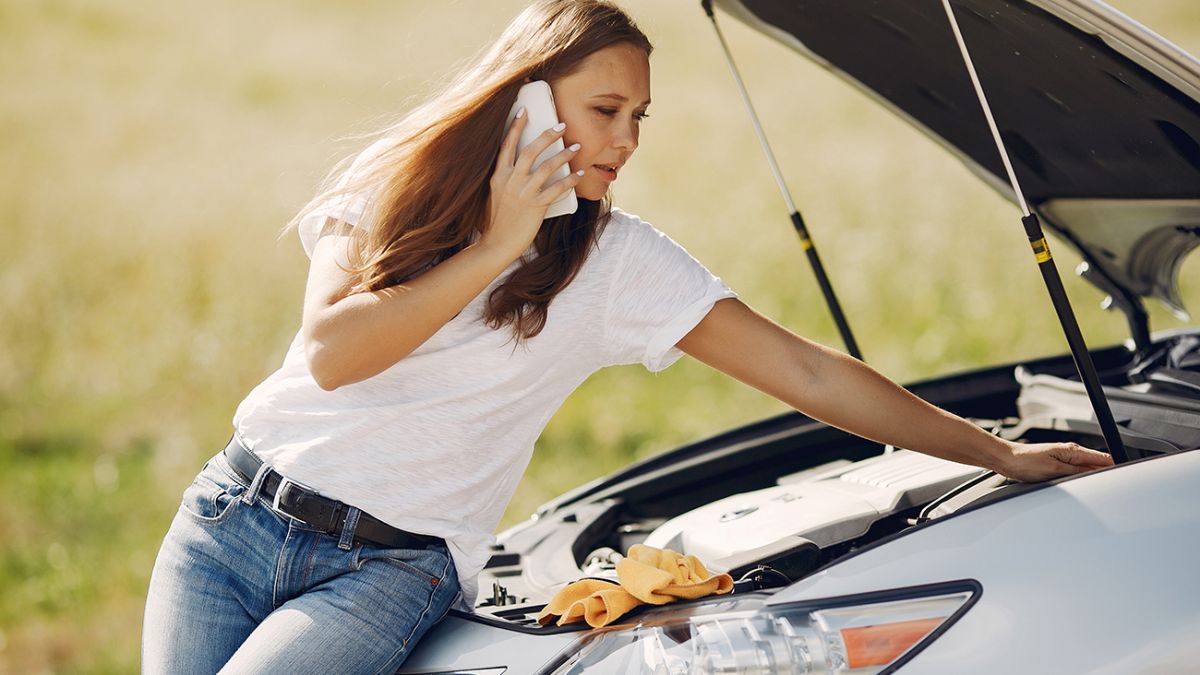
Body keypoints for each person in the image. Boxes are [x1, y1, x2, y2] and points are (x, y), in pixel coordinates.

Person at [140, 1, 1114, 672]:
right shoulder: (394, 185)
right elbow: (334, 353)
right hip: (231, 522)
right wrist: (494, 248)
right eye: (605, 110)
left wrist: (996, 453)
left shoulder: (619, 265)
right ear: (523, 97)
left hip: (387, 571)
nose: (626, 140)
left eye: (639, 117)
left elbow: (806, 370)